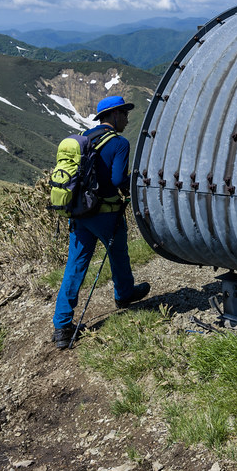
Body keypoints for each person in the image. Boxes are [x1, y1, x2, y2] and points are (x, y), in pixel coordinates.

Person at [52, 94, 150, 349]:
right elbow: (118, 180)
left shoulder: (86, 138)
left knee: (75, 265)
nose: (127, 119)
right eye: (125, 114)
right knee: (118, 254)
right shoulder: (119, 143)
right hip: (106, 213)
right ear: (114, 115)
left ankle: (62, 326)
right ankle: (124, 294)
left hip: (80, 212)